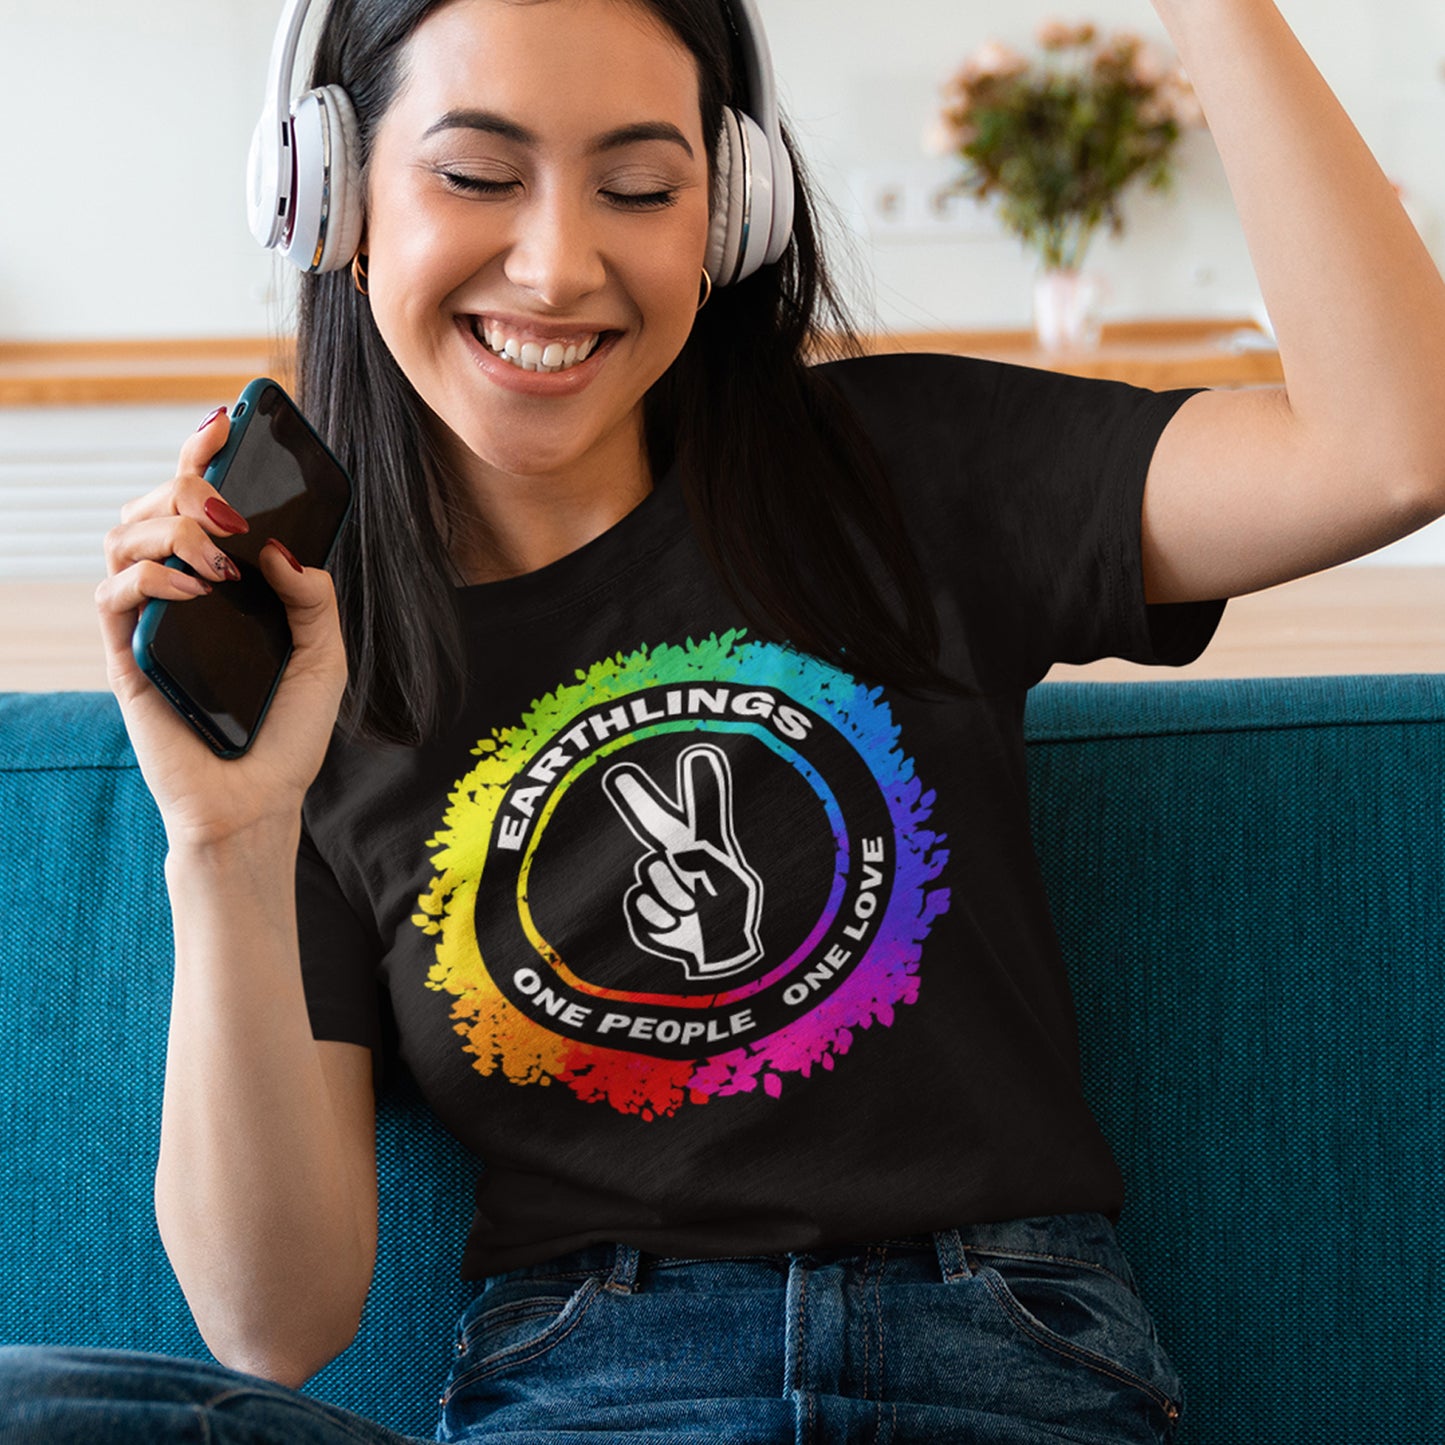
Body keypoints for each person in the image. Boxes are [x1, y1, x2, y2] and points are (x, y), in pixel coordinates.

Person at [4, 0, 1444, 1440]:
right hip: (587, 1381)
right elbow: (277, 1319)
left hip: (1003, 1351)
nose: (558, 263)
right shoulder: (309, 658)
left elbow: (1386, 449)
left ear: (730, 209)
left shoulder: (901, 475)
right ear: (327, 194)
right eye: (476, 174)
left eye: (639, 187)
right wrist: (228, 838)